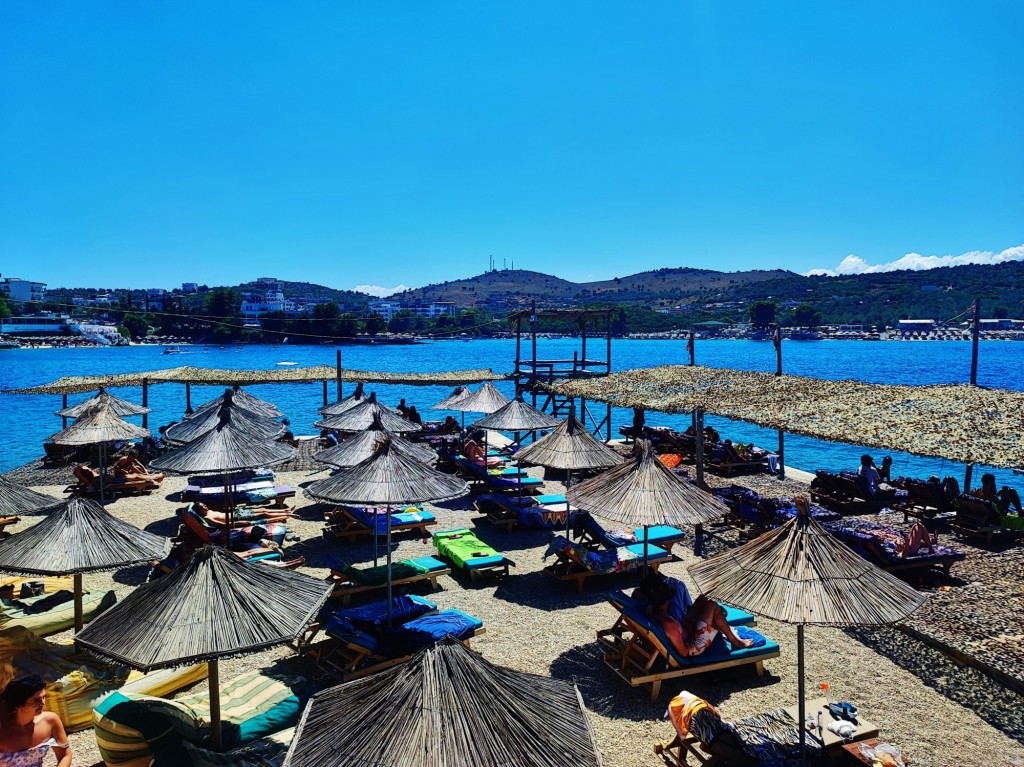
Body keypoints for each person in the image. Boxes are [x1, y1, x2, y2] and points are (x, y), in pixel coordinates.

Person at [636, 572, 754, 657]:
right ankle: (735, 642)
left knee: (704, 598)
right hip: (694, 645)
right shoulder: (669, 623)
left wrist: (685, 625)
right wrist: (693, 632)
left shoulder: (651, 610)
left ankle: (719, 624)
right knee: (712, 606)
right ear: (667, 600)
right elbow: (684, 652)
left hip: (684, 628)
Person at [0, 675, 72, 767]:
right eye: (36, 700)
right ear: (18, 704)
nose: (43, 703)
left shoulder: (50, 721)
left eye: (44, 697)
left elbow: (65, 755)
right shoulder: (2, 728)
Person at [189, 501, 296, 526]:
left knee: (263, 509)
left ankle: (285, 510)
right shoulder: (207, 518)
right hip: (237, 517)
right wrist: (240, 522)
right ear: (200, 511)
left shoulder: (210, 511)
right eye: (203, 507)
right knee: (264, 514)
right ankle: (288, 515)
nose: (206, 506)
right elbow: (224, 525)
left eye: (205, 505)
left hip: (237, 512)